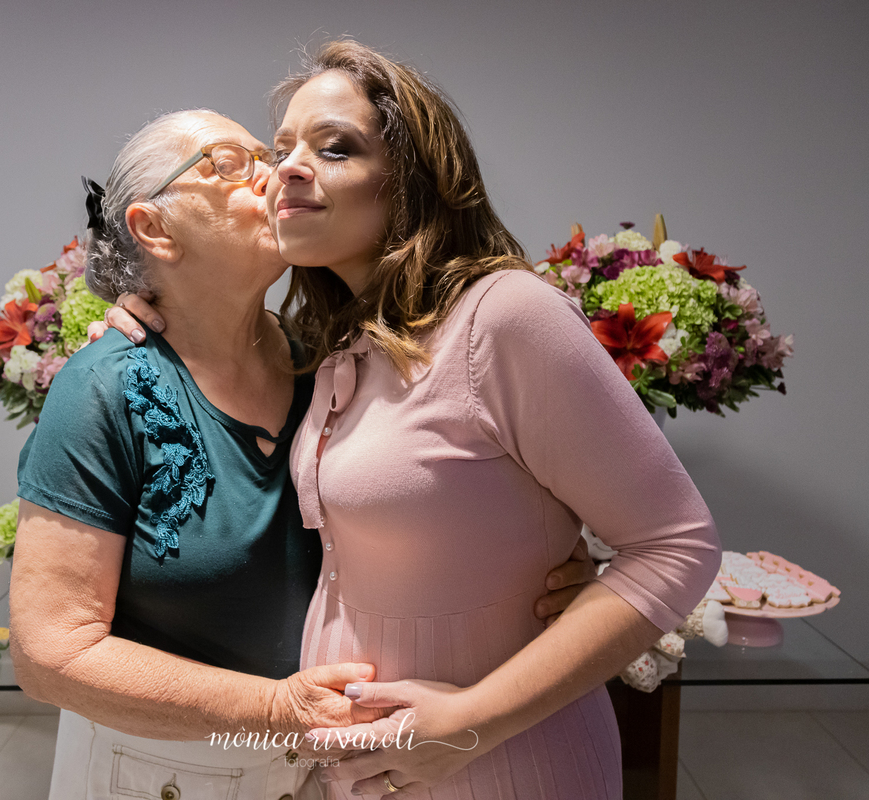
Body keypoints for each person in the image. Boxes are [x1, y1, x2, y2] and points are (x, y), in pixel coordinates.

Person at [111, 41, 721, 798]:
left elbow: (677, 545)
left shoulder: (503, 316)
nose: (286, 169)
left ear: (413, 181)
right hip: (367, 772)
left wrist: (470, 723)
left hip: (501, 766)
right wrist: (161, 311)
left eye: (335, 148)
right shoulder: (341, 345)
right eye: (282, 147)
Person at [11, 109, 592, 800]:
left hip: (332, 767)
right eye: (231, 163)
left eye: (271, 154)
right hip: (159, 774)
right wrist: (278, 710)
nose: (278, 173)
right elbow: (50, 655)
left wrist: (544, 569)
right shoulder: (101, 388)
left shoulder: (330, 360)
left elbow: (426, 510)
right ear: (154, 229)